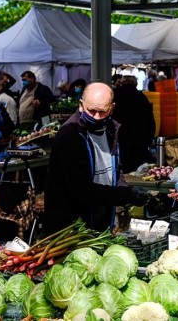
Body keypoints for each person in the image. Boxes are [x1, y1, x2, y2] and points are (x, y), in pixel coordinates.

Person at [45, 82, 150, 233]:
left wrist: (123, 187)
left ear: (112, 107)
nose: (97, 117)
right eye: (91, 111)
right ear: (81, 105)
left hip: (100, 222)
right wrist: (127, 195)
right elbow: (82, 190)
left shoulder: (112, 130)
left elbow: (114, 169)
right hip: (71, 228)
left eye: (102, 111)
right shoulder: (69, 136)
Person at [112, 75, 156, 173]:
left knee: (123, 164)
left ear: (121, 83)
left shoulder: (115, 95)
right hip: (139, 137)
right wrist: (150, 137)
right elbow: (149, 119)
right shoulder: (141, 97)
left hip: (120, 136)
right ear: (135, 84)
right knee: (137, 166)